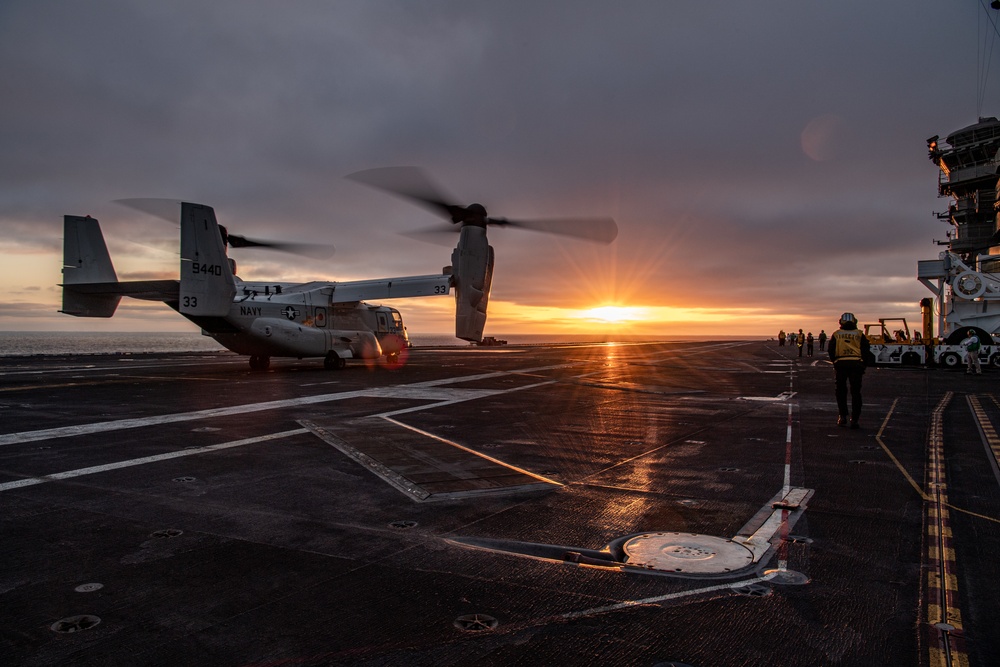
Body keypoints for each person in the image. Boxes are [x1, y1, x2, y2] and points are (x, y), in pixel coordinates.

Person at [829, 312, 871, 429]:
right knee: (856, 393)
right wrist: (863, 365)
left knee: (841, 391)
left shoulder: (837, 334)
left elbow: (831, 350)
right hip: (856, 365)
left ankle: (842, 416)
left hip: (841, 364)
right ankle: (855, 418)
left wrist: (835, 362)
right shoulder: (859, 334)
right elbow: (866, 350)